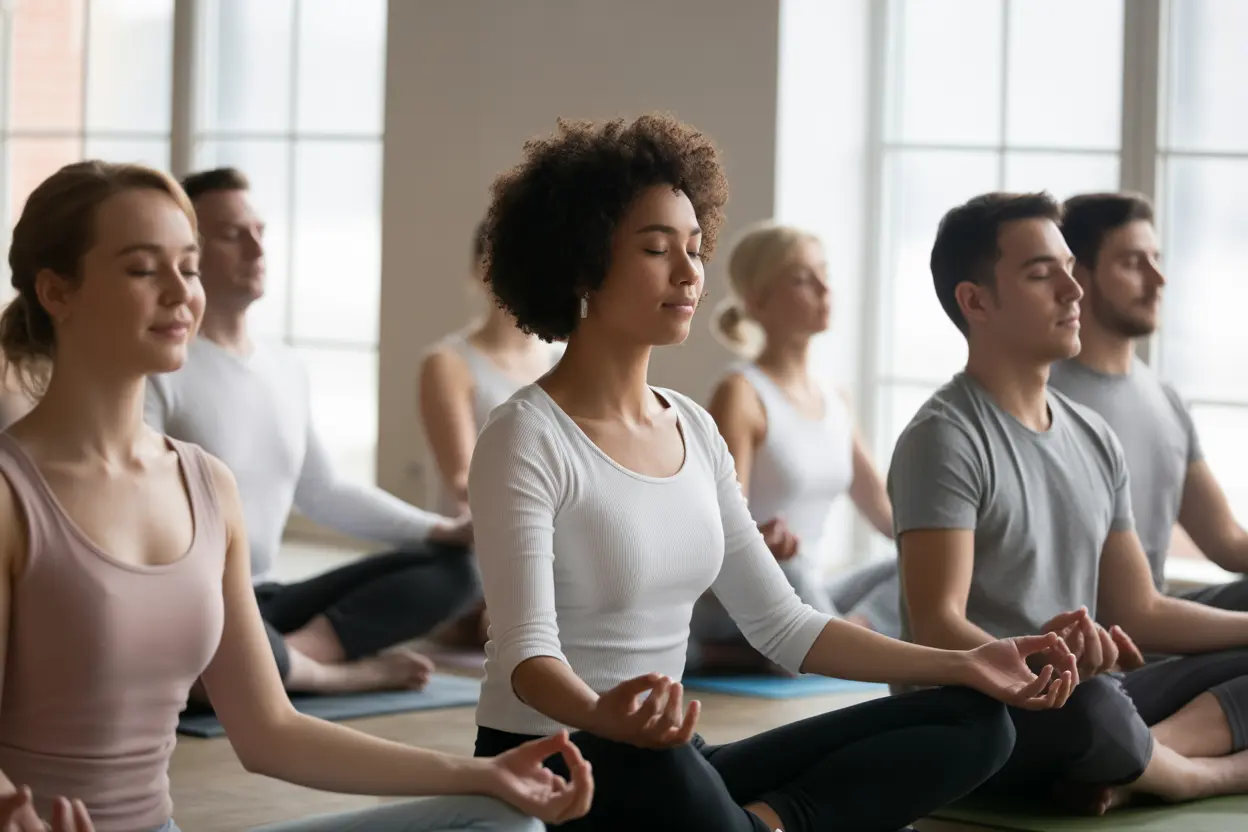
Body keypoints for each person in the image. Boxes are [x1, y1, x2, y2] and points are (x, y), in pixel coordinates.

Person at [466, 113, 1080, 832]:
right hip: (557, 760)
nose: (690, 272)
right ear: (581, 264)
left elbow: (783, 624)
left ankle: (763, 824)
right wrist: (606, 714)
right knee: (676, 776)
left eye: (695, 248)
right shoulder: (525, 435)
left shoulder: (693, 426)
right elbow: (526, 656)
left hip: (671, 752)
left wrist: (969, 663)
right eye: (657, 249)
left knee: (978, 722)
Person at [0, 160, 593, 832]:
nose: (179, 292)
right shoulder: (10, 496)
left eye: (188, 267)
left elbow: (270, 731)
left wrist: (484, 773)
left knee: (497, 820)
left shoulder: (205, 484)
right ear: (56, 290)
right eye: (142, 270)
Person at [891, 190, 1248, 814]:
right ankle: (1194, 775)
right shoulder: (944, 437)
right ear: (975, 301)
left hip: (1088, 690)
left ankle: (1139, 761)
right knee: (1094, 709)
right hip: (986, 716)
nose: (1072, 289)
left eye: (1068, 268)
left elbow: (1138, 608)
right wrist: (1046, 663)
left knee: (1112, 696)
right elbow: (937, 626)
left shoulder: (1092, 436)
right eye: (1040, 274)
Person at [145, 167, 479, 697]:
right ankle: (315, 674)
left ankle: (279, 664)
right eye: (233, 236)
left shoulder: (284, 365)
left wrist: (440, 530)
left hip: (265, 600)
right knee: (189, 630)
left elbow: (323, 492)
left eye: (260, 233)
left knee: (456, 570)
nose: (257, 250)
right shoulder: (159, 366)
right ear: (186, 253)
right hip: (196, 602)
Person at [689, 221, 897, 675]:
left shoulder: (835, 397)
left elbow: (887, 514)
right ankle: (829, 644)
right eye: (803, 279)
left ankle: (833, 638)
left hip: (811, 588)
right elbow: (723, 525)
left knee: (910, 566)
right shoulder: (741, 393)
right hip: (753, 587)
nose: (825, 288)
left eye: (825, 274)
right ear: (758, 301)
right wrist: (761, 541)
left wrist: (959, 539)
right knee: (795, 567)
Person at [1050, 192, 1248, 610]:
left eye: (1156, 258)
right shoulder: (1043, 401)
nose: (1158, 279)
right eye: (1132, 263)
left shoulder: (1166, 399)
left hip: (1156, 634)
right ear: (1078, 276)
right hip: (1080, 656)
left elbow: (1227, 542)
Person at [418, 223, 563, 648]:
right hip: (483, 544)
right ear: (482, 270)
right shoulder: (447, 363)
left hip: (557, 535)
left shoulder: (563, 358)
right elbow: (463, 481)